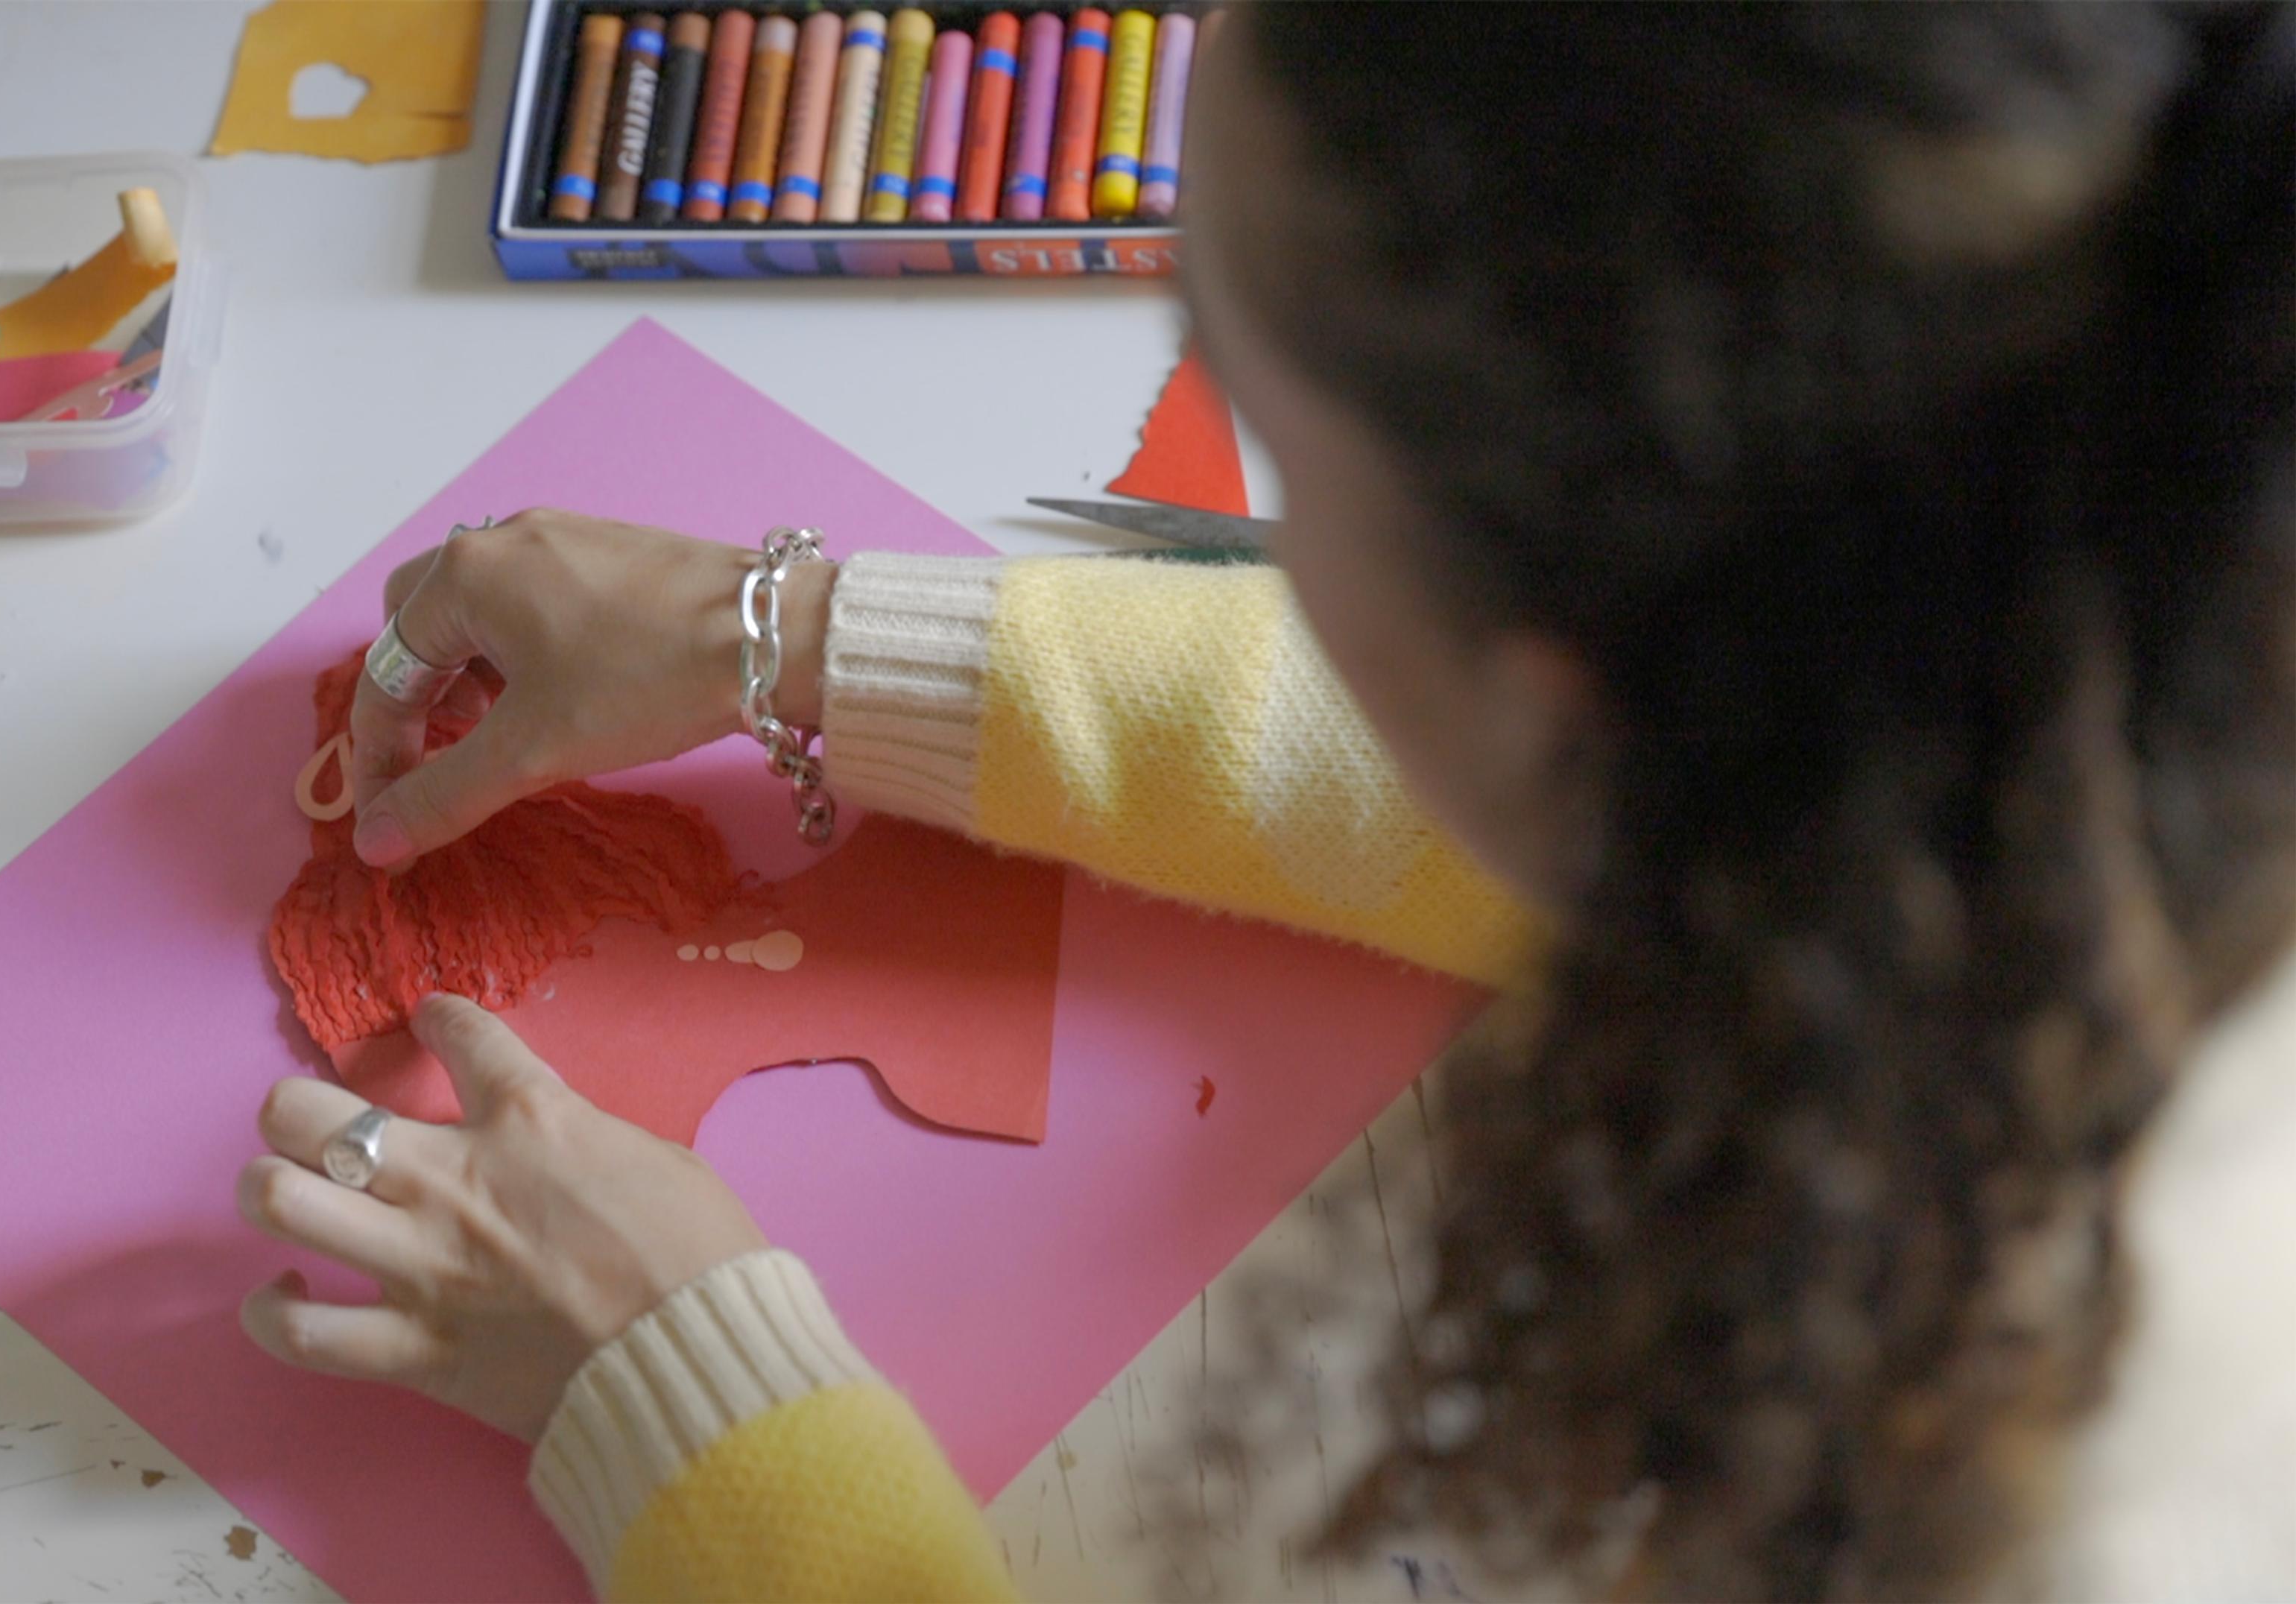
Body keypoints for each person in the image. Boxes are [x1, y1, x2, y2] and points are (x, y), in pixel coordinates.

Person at [233, 4, 2296, 1599]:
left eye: (1272, 448)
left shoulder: (2060, 1490)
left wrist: (689, 1399)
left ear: (1566, 671)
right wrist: (791, 635)